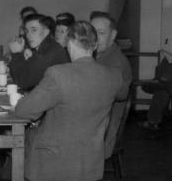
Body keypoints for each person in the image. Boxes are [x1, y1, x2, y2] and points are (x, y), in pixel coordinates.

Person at [14, 21, 123, 181]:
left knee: (26, 134)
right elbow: (121, 95)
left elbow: (23, 111)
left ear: (70, 43)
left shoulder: (58, 74)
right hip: (90, 161)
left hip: (55, 164)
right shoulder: (114, 76)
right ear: (95, 46)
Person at [90, 11, 132, 158]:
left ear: (113, 35)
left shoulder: (115, 63)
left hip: (102, 131)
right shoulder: (96, 56)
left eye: (101, 33)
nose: (94, 37)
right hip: (95, 120)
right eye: (92, 32)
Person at [9, 13, 69, 92]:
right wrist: (28, 59)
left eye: (34, 30)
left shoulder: (51, 52)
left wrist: (16, 53)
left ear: (46, 31)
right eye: (27, 31)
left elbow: (22, 81)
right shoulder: (47, 46)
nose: (28, 35)